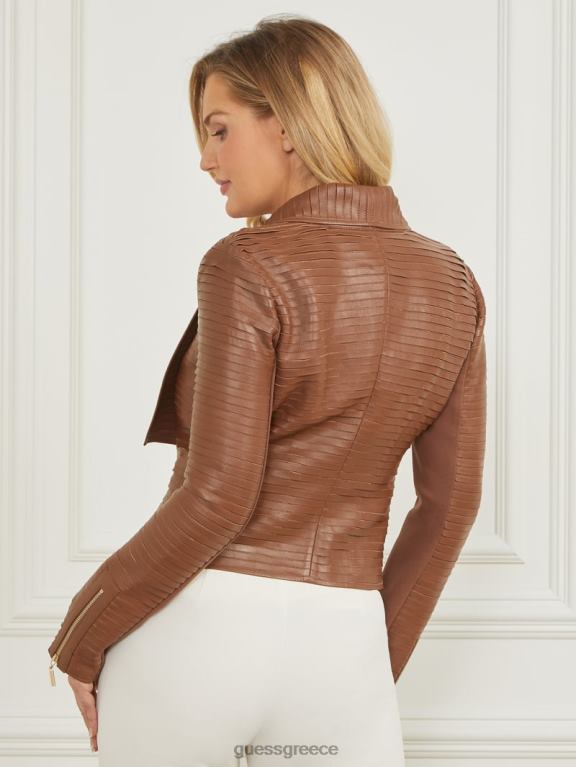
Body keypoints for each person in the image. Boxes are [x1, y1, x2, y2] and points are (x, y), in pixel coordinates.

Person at [47, 14, 487, 767]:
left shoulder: (247, 264)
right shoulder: (453, 282)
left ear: (286, 123)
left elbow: (219, 494)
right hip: (346, 647)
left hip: (198, 639)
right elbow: (450, 506)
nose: (204, 158)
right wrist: (367, 663)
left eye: (219, 130)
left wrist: (80, 637)